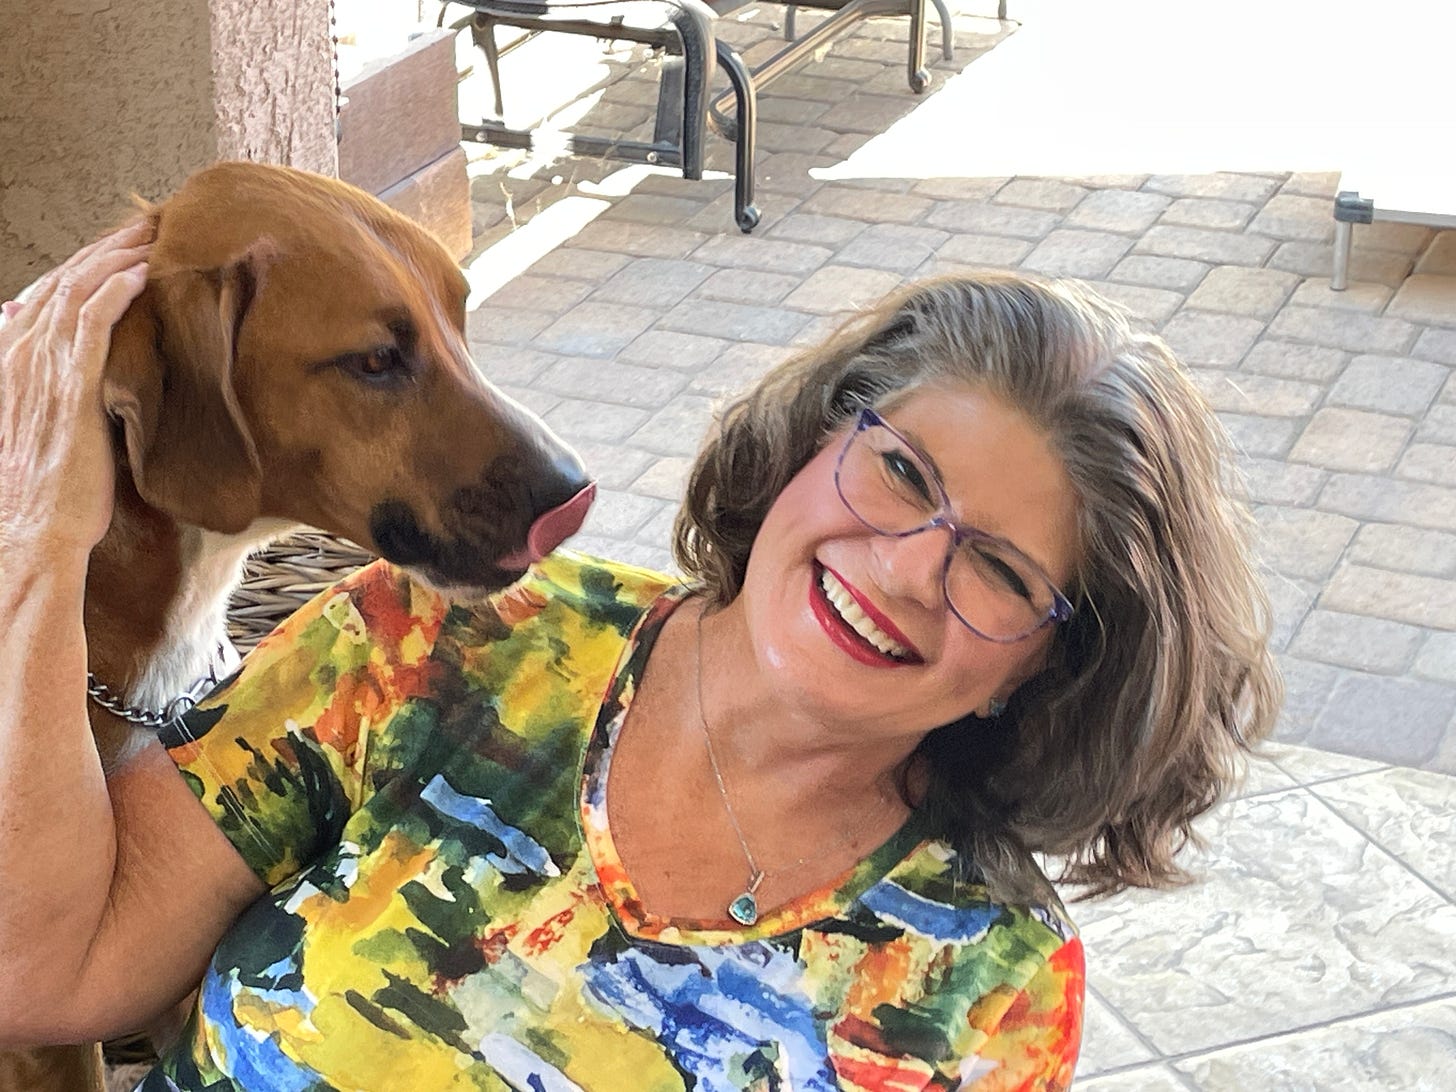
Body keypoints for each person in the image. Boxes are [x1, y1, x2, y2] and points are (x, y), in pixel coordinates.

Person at [0, 224, 1281, 1091]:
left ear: (1051, 669)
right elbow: (50, 968)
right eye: (900, 472)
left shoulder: (977, 981)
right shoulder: (439, 638)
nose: (905, 566)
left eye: (1000, 572)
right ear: (811, 445)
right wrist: (43, 546)